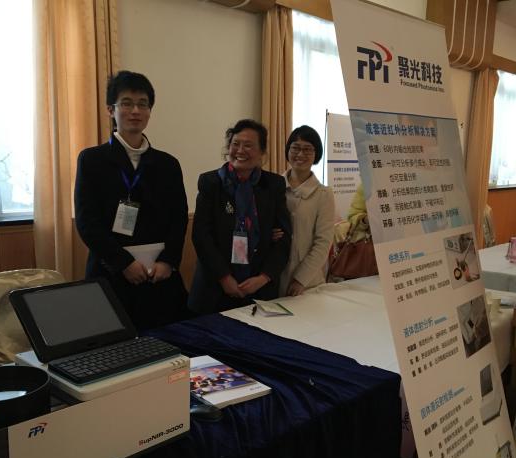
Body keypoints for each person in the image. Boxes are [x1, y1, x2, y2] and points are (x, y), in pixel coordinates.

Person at [74, 70, 188, 331]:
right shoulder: (92, 160)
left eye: (142, 104)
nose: (135, 110)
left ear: (150, 111)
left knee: (168, 343)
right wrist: (123, 263)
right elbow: (87, 222)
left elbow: (179, 218)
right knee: (111, 347)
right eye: (126, 103)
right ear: (110, 110)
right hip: (111, 273)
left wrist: (168, 261)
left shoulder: (168, 164)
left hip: (158, 276)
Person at [188, 119, 291, 314]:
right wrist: (224, 277)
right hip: (214, 288)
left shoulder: (273, 185)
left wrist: (263, 277)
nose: (240, 150)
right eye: (235, 144)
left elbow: (284, 238)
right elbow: (201, 235)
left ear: (262, 152)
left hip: (259, 289)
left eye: (248, 145)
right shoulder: (210, 183)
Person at [279, 126, 334, 297]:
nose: (300, 154)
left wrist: (300, 279)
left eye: (308, 149)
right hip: (273, 276)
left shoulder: (323, 194)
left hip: (307, 282)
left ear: (316, 154)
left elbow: (323, 242)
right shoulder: (274, 187)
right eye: (295, 148)